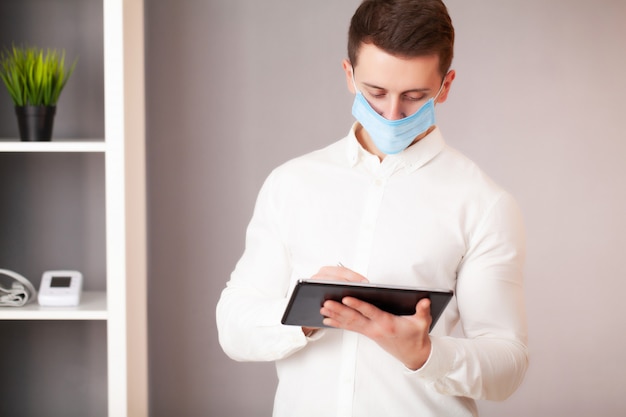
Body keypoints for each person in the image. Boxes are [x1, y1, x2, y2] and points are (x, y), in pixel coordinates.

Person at [216, 0, 528, 415]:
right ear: (349, 74)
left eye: (415, 96)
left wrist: (425, 353)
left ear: (445, 86)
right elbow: (233, 328)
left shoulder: (484, 204)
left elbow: (508, 365)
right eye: (376, 92)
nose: (393, 114)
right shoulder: (291, 184)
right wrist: (305, 313)